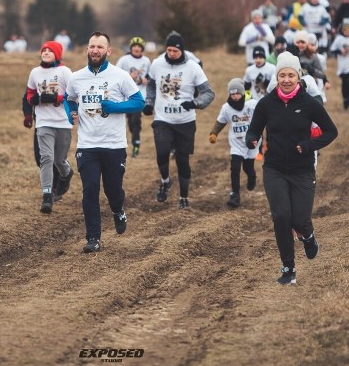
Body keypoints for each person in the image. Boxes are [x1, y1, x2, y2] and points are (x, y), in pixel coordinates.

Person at [245, 52, 338, 285]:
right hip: (274, 168)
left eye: (291, 75)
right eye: (282, 75)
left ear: (298, 76)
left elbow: (331, 131)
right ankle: (288, 268)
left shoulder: (309, 103)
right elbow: (254, 129)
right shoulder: (266, 103)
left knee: (300, 219)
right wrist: (252, 139)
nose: (286, 79)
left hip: (302, 170)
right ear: (277, 77)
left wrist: (308, 146)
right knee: (281, 216)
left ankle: (308, 235)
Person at [65, 32, 144, 253]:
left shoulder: (120, 76)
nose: (95, 50)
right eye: (92, 46)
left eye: (100, 47)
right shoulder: (76, 77)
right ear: (87, 49)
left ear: (108, 51)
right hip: (87, 144)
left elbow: (139, 102)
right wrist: (70, 112)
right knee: (90, 189)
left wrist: (114, 107)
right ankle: (93, 238)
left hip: (114, 145)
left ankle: (118, 210)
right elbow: (68, 98)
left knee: (113, 190)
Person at [143, 32, 215, 208]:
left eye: (175, 50)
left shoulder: (193, 67)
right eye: (169, 50)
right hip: (162, 118)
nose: (172, 54)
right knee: (162, 151)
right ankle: (165, 181)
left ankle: (184, 197)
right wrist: (149, 103)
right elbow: (151, 85)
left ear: (182, 51)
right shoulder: (157, 64)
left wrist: (195, 103)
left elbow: (209, 93)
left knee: (183, 161)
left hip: (185, 122)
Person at [25, 40, 74, 213]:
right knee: (46, 158)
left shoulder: (64, 71)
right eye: (43, 50)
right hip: (44, 123)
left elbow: (73, 94)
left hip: (63, 122)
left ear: (57, 54)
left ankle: (66, 174)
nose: (45, 52)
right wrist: (34, 101)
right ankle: (47, 196)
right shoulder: (35, 72)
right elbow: (29, 93)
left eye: (49, 51)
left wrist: (55, 99)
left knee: (59, 160)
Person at [209, 78, 260, 208]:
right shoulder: (226, 108)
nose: (235, 96)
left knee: (247, 167)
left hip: (250, 142)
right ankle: (235, 195)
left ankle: (252, 175)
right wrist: (214, 133)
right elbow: (220, 121)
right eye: (232, 94)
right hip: (236, 143)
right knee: (235, 168)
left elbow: (263, 117)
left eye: (237, 93)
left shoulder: (252, 104)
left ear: (242, 93)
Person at [116, 36, 152, 158]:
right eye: (134, 46)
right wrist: (129, 77)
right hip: (126, 96)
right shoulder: (124, 60)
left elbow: (150, 75)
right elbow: (116, 74)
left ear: (142, 49)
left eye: (139, 47)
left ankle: (136, 145)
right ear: (131, 48)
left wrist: (145, 79)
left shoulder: (146, 61)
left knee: (136, 121)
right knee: (130, 122)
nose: (137, 48)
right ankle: (134, 139)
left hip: (140, 95)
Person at [329, 22, 349, 112]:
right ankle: (346, 103)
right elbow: (332, 49)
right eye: (345, 30)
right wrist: (340, 51)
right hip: (343, 65)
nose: (347, 32)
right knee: (345, 85)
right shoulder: (339, 39)